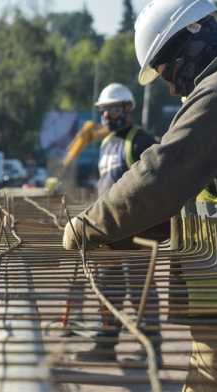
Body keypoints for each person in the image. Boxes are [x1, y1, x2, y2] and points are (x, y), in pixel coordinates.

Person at [62, 0, 217, 391]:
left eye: (166, 68)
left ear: (194, 39)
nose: (168, 82)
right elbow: (190, 201)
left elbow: (160, 176)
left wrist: (87, 227)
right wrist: (126, 237)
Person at [75, 83, 163, 363]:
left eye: (111, 110)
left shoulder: (141, 141)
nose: (106, 117)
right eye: (102, 111)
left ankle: (150, 348)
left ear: (128, 109)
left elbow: (154, 184)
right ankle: (106, 344)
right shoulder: (106, 143)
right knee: (107, 290)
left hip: (136, 233)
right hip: (108, 232)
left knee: (141, 291)